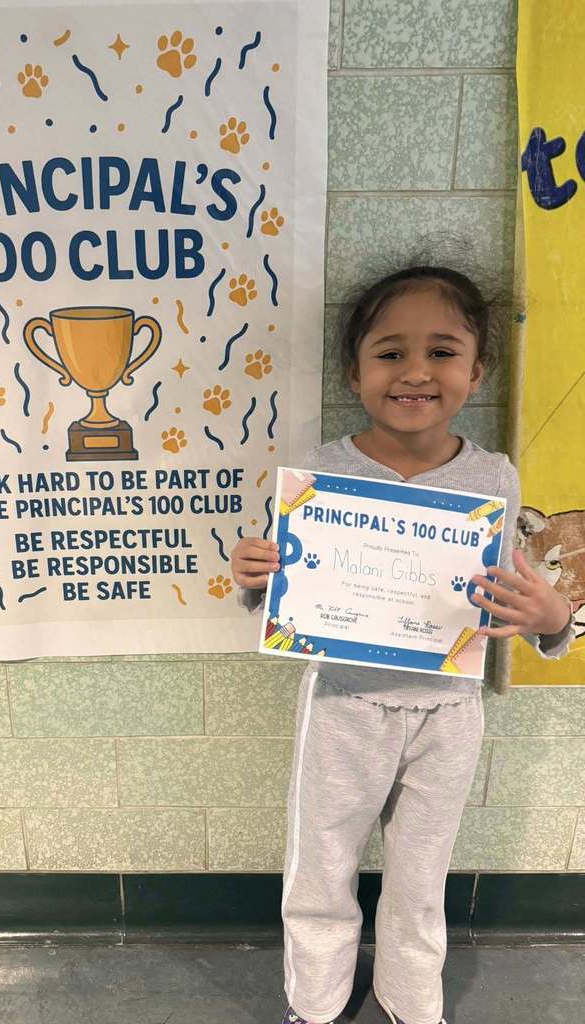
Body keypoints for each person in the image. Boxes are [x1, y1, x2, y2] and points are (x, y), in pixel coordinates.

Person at [231, 264, 576, 1024]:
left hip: (449, 714)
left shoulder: (494, 477)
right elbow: (283, 596)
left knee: (422, 876)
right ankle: (315, 1002)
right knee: (322, 865)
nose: (416, 372)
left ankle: (411, 999)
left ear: (477, 369)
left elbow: (522, 597)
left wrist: (553, 618)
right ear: (355, 372)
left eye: (443, 351)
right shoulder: (320, 472)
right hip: (343, 706)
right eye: (389, 353)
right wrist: (254, 577)